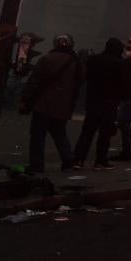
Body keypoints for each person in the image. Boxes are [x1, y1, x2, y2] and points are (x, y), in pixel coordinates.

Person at [20, 34, 85, 173]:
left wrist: (25, 99)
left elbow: (34, 82)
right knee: (60, 133)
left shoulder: (46, 58)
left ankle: (37, 165)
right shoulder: (77, 62)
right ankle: (68, 161)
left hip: (43, 104)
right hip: (63, 106)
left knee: (38, 136)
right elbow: (78, 86)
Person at [73, 38, 124, 170]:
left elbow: (87, 78)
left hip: (93, 101)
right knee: (105, 135)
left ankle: (78, 160)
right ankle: (100, 161)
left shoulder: (94, 60)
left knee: (87, 132)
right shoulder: (119, 63)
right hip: (110, 103)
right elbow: (123, 84)